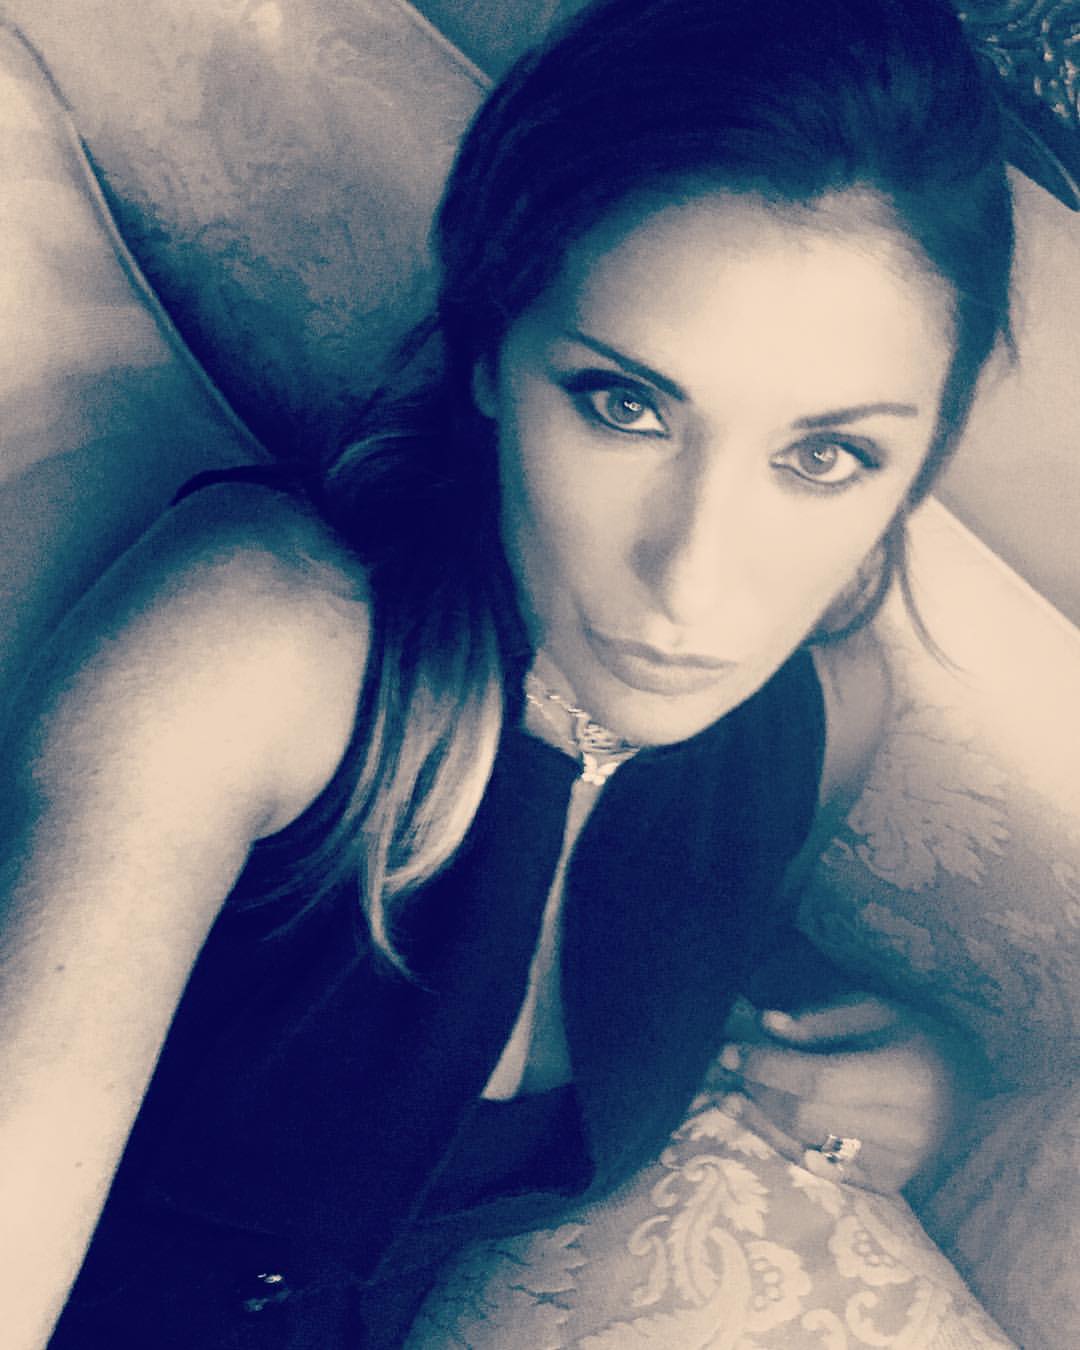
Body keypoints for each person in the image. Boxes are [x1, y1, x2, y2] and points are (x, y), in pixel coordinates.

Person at [0, 0, 1015, 1345]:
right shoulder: (261, 652)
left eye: (825, 456)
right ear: (489, 355)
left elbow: (688, 947)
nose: (693, 581)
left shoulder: (821, 721)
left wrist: (922, 1072)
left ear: (924, 455)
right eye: (622, 403)